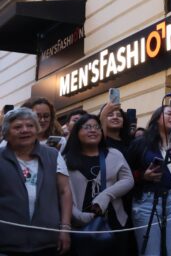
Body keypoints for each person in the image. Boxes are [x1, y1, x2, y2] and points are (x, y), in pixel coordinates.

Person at [0, 107, 72, 255]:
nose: (25, 130)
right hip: (6, 244)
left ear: (37, 129)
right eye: (17, 127)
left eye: (30, 125)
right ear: (6, 133)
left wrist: (65, 228)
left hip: (47, 243)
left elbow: (64, 191)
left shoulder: (53, 155)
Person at [63, 114, 134, 256]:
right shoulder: (66, 159)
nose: (93, 130)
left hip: (113, 222)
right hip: (79, 225)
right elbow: (62, 191)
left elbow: (128, 180)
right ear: (77, 132)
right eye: (87, 127)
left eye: (97, 127)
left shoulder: (114, 154)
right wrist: (77, 215)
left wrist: (106, 195)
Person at [126, 105, 171, 256]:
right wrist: (143, 176)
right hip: (146, 202)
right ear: (156, 119)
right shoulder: (140, 143)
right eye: (169, 113)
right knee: (151, 252)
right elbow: (125, 174)